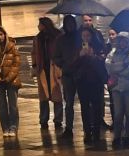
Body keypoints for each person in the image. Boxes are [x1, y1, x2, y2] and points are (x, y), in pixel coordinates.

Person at [72, 29, 109, 149]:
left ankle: (97, 132)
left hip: (95, 82)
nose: (86, 38)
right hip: (83, 82)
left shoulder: (98, 48)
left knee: (97, 107)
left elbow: (103, 62)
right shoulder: (78, 49)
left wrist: (93, 56)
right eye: (84, 36)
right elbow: (72, 65)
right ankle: (87, 132)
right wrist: (80, 56)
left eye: (88, 35)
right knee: (85, 107)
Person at [107, 31, 129, 149]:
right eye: (120, 40)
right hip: (116, 88)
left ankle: (127, 136)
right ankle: (117, 136)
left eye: (125, 41)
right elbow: (108, 66)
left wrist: (117, 67)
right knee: (118, 114)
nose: (122, 43)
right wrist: (121, 65)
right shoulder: (112, 53)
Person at [0, 26, 22, 145]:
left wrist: (8, 78)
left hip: (11, 81)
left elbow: (16, 64)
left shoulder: (12, 47)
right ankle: (5, 127)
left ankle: (13, 127)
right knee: (1, 106)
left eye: (1, 34)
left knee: (13, 105)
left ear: (5, 34)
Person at [55, 14, 83, 142]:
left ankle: (89, 127)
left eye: (72, 23)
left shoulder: (80, 37)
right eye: (68, 24)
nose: (70, 26)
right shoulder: (61, 40)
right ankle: (69, 128)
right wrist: (64, 64)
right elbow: (56, 57)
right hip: (67, 75)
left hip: (81, 73)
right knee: (69, 103)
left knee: (85, 102)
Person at [31, 16, 61, 134]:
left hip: (54, 68)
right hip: (42, 69)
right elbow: (34, 53)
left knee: (57, 95)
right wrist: (34, 65)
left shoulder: (57, 36)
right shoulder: (38, 38)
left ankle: (58, 119)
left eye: (40, 24)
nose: (38, 27)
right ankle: (43, 119)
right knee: (43, 97)